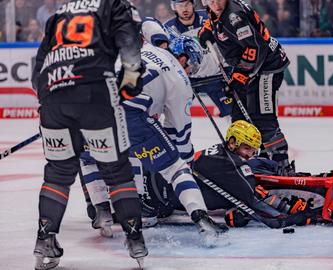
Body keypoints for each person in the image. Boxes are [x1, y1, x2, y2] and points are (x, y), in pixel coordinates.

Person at [79, 18, 228, 240]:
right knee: (174, 167)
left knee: (88, 157)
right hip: (129, 113)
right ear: (183, 58)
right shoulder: (180, 78)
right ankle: (202, 218)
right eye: (191, 65)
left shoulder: (144, 48)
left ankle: (102, 210)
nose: (190, 71)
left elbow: (147, 22)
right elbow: (180, 134)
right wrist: (184, 158)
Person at [31, 0, 147, 269]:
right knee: (116, 169)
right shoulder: (115, 4)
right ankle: (134, 237)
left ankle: (45, 237)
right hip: (95, 89)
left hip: (53, 91)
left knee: (58, 172)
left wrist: (51, 100)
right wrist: (127, 88)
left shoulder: (59, 13)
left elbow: (38, 69)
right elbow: (131, 49)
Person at [142, 120, 333, 229]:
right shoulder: (232, 165)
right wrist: (305, 216)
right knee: (244, 204)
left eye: (253, 150)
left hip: (157, 178)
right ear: (232, 142)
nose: (249, 154)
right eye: (246, 149)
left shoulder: (226, 155)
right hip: (157, 200)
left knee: (255, 171)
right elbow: (268, 217)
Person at [198, 0, 292, 172]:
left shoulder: (235, 16)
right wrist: (209, 29)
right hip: (251, 68)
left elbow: (255, 48)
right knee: (241, 116)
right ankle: (252, 159)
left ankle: (281, 163)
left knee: (263, 118)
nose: (216, 4)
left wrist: (239, 76)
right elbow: (220, 23)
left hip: (267, 67)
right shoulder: (217, 12)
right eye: (211, 1)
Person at [165, 0, 233, 118]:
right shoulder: (169, 28)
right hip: (189, 79)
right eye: (180, 6)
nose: (184, 9)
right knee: (176, 112)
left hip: (217, 74)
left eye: (187, 4)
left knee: (232, 112)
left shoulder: (209, 17)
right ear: (174, 7)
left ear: (193, 4)